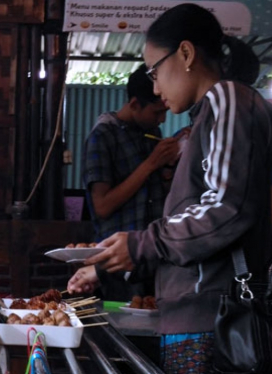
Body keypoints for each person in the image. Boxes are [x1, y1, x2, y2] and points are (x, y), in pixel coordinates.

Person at [68, 3, 272, 372]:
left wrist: (140, 244)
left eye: (155, 71)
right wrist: (111, 266)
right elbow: (191, 227)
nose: (155, 86)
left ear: (185, 54)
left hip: (213, 319)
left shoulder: (228, 99)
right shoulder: (205, 119)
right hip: (192, 317)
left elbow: (225, 208)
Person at [80, 64, 179, 301]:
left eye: (164, 111)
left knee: (152, 322)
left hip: (153, 255)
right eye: (156, 112)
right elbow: (102, 206)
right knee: (122, 325)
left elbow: (160, 193)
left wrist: (168, 169)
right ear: (134, 104)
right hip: (116, 262)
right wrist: (150, 164)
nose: (162, 120)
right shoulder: (103, 135)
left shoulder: (151, 132)